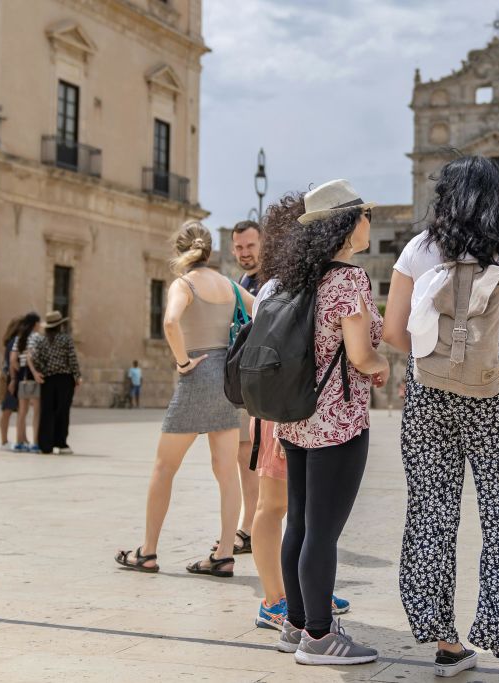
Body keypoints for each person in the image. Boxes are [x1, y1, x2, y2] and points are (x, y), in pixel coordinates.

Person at [383, 156, 499, 682]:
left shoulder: (418, 250)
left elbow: (394, 333)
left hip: (427, 395)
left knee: (430, 513)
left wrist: (435, 357)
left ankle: (445, 643)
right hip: (495, 394)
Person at [267, 179, 387, 665]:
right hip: (337, 421)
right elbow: (360, 355)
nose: (368, 223)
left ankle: (295, 622)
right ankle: (319, 636)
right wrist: (381, 365)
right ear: (346, 223)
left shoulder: (293, 278)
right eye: (364, 215)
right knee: (323, 531)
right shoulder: (350, 281)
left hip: (294, 418)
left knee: (297, 521)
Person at [116, 221, 254, 578]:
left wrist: (182, 361)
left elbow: (171, 322)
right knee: (226, 473)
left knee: (164, 469)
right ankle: (223, 554)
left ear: (180, 251)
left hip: (197, 376)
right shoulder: (231, 286)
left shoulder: (184, 283)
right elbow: (265, 311)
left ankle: (147, 552)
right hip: (227, 381)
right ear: (211, 250)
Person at [246, 193, 352, 633]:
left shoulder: (295, 281)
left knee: (304, 510)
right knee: (274, 505)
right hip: (283, 408)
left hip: (294, 407)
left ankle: (308, 592)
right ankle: (273, 598)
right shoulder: (276, 287)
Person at [211, 219, 265, 558]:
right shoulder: (243, 281)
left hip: (262, 382)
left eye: (250, 246)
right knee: (245, 454)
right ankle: (250, 525)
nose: (245, 253)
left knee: (252, 456)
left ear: (263, 244)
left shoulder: (270, 281)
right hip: (244, 380)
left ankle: (250, 528)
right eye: (240, 248)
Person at [33, 311, 82, 455]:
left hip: (47, 380)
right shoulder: (66, 339)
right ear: (60, 325)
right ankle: (61, 443)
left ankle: (45, 445)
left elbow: (36, 358)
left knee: (47, 411)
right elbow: (72, 359)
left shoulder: (41, 340)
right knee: (62, 411)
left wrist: (42, 370)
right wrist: (77, 376)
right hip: (64, 379)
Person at [9, 313, 43, 453]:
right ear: (35, 324)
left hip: (22, 375)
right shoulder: (37, 337)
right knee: (36, 411)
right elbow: (32, 355)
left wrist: (19, 371)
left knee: (22, 412)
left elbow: (12, 360)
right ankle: (35, 443)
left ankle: (19, 442)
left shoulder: (18, 338)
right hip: (33, 374)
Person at [0, 317, 21, 451]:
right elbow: (12, 362)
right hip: (11, 380)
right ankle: (4, 441)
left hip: (9, 378)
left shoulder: (10, 342)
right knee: (7, 410)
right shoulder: (14, 342)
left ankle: (6, 440)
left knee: (9, 410)